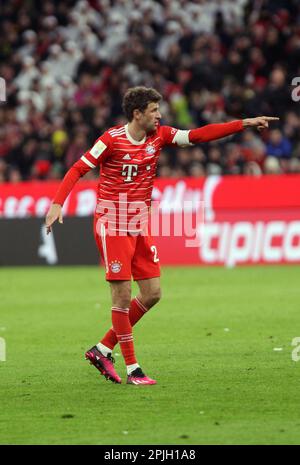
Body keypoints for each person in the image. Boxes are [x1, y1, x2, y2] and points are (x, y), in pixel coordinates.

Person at [45, 86, 279, 385]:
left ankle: (102, 349)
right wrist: (56, 203)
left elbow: (197, 135)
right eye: (154, 110)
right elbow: (77, 169)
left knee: (153, 293)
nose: (159, 115)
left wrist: (242, 123)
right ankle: (133, 370)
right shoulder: (110, 140)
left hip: (139, 223)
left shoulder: (161, 135)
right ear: (137, 113)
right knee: (122, 295)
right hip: (112, 224)